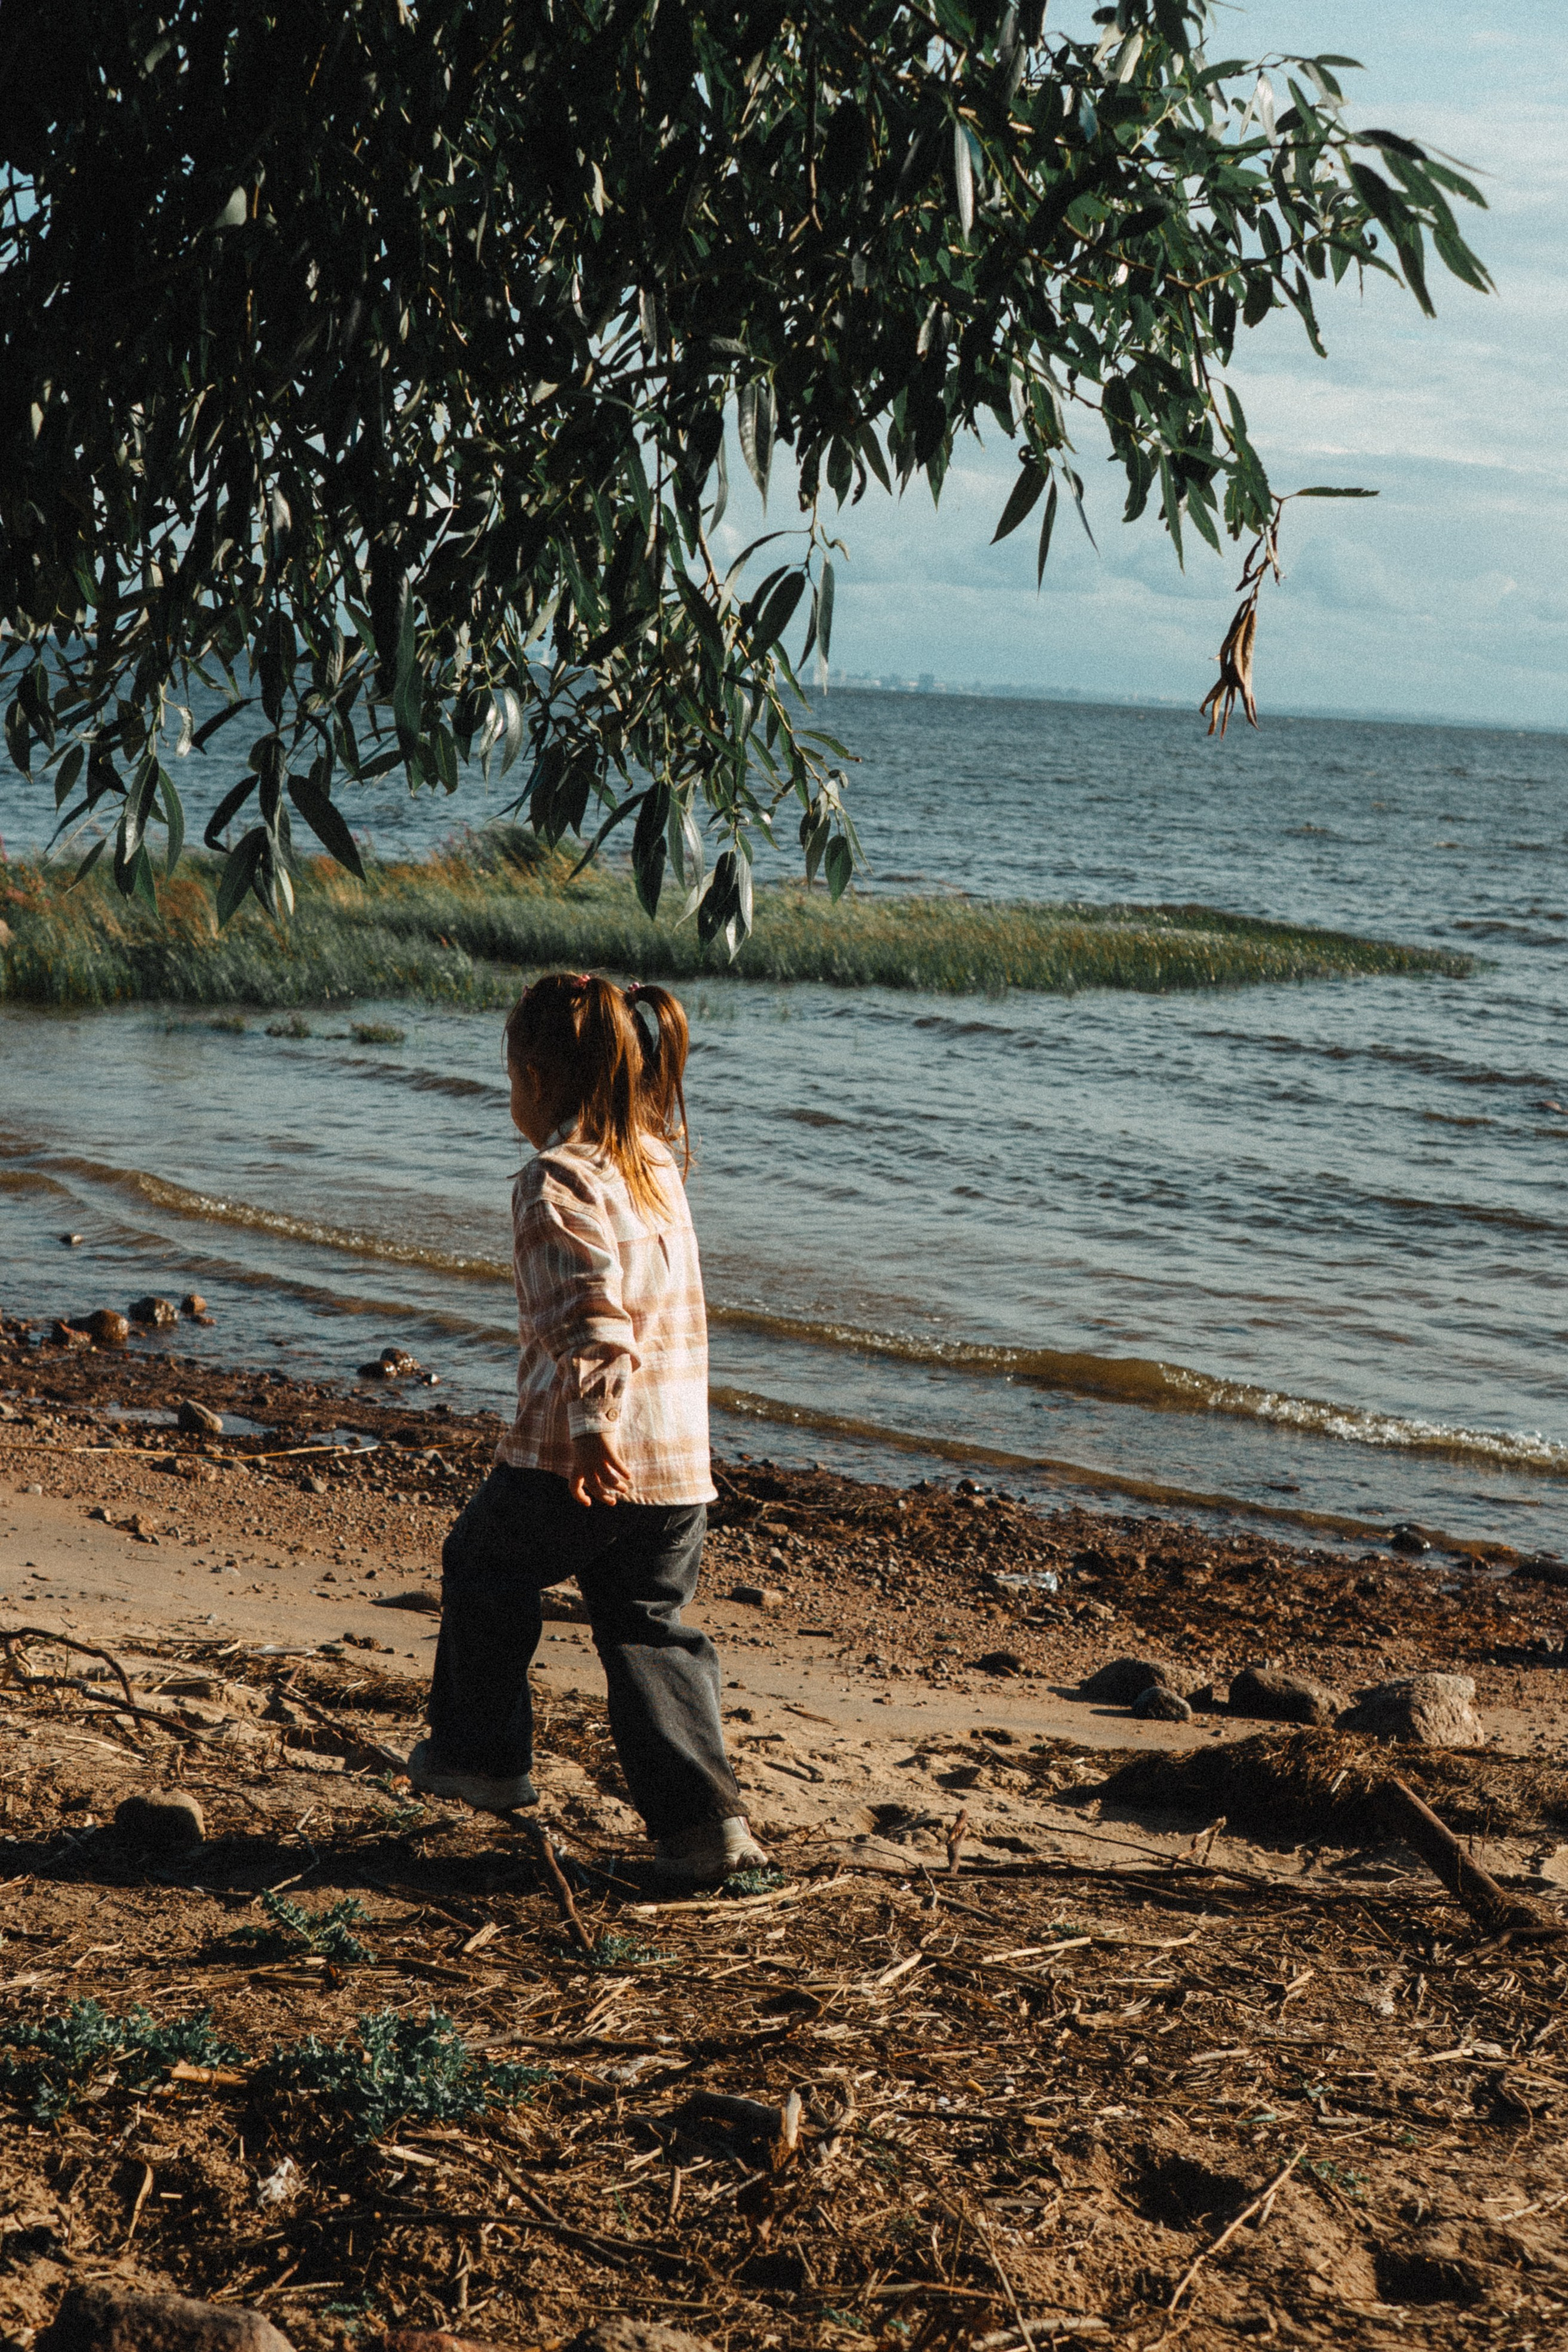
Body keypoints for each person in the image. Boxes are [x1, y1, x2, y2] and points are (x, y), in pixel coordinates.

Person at [406, 970, 770, 1890]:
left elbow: (592, 1319)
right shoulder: (654, 1164)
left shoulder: (553, 1180)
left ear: (536, 1076)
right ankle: (705, 1830)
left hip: (577, 1457)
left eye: (513, 1076)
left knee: (484, 1563)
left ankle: (482, 1761)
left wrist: (595, 1425)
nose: (512, 1096)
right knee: (650, 1630)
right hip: (680, 1467)